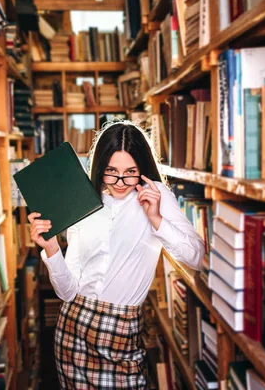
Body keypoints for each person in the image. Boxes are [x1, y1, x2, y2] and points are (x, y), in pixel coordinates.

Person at [28, 120, 205, 389]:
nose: (120, 182)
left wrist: (156, 219)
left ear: (142, 170)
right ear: (100, 167)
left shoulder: (157, 196)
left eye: (130, 172)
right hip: (73, 330)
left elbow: (198, 258)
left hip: (122, 331)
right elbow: (66, 293)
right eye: (111, 171)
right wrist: (51, 249)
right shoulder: (83, 203)